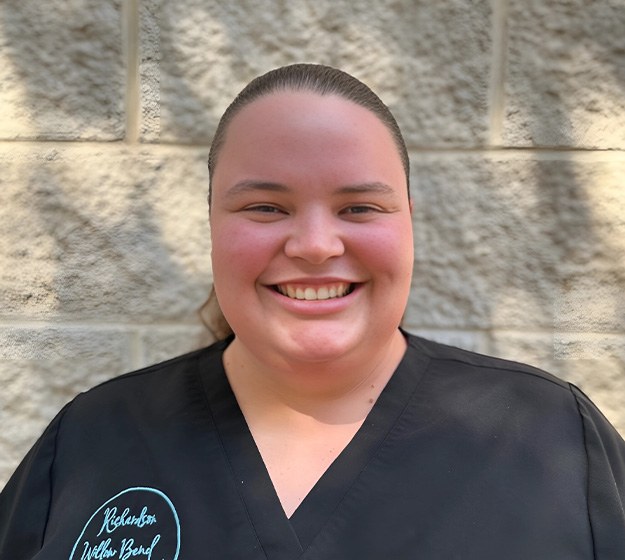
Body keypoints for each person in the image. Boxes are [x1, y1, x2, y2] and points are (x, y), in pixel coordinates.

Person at [1, 63, 624, 560]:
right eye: (266, 208)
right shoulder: (91, 442)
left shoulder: (553, 439)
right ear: (213, 223)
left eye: (359, 208)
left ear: (410, 221)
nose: (316, 246)